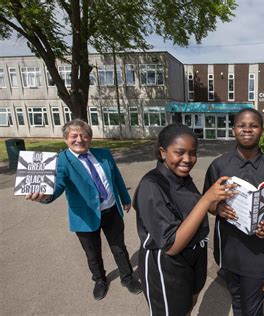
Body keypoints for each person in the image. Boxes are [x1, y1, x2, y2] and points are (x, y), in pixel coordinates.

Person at [26, 119, 141, 300]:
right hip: (84, 216)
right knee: (92, 253)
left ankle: (127, 277)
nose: (79, 139)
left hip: (111, 210)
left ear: (90, 138)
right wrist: (45, 195)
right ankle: (100, 281)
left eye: (84, 135)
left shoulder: (103, 154)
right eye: (74, 136)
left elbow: (116, 177)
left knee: (119, 248)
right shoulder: (62, 160)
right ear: (66, 139)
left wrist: (125, 199)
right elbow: (57, 185)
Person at [133, 124, 236, 315]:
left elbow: (191, 210)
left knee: (189, 303)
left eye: (193, 153)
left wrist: (216, 208)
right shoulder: (152, 185)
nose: (187, 160)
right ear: (163, 152)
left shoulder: (183, 178)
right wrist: (206, 200)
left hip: (195, 255)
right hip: (166, 266)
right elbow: (172, 246)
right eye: (179, 152)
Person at [203, 108, 264, 316]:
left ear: (262, 130)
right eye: (241, 125)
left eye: (253, 125)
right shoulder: (219, 165)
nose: (247, 129)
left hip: (259, 253)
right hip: (228, 251)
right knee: (238, 302)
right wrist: (218, 208)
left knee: (253, 308)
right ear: (233, 130)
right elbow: (207, 202)